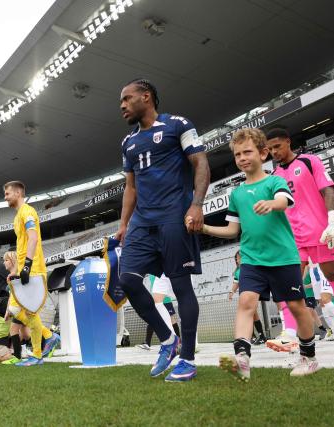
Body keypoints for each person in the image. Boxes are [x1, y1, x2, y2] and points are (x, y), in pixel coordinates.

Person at [192, 128, 318, 380]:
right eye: (237, 154)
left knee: (297, 307)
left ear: (263, 153)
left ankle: (309, 357)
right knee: (246, 302)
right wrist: (203, 227)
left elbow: (284, 200)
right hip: (251, 258)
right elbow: (232, 230)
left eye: (247, 151)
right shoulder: (237, 194)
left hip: (283, 257)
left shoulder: (274, 182)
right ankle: (242, 359)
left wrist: (272, 203)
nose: (242, 158)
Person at [115, 78, 210, 382]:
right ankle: (168, 340)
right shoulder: (128, 142)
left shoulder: (178, 125)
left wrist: (196, 204)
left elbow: (200, 163)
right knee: (127, 280)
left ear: (146, 97)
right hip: (143, 221)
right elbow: (130, 187)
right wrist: (124, 225)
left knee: (181, 287)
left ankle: (188, 359)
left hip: (174, 216)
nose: (122, 106)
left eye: (127, 99)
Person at [267, 128, 334, 354]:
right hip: (292, 237)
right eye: (270, 149)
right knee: (288, 281)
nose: (274, 152)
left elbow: (328, 192)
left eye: (278, 146)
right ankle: (288, 332)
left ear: (288, 142)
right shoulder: (274, 176)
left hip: (319, 231)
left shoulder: (309, 161)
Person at [3, 182, 61, 366]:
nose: (5, 197)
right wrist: (16, 271)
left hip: (34, 268)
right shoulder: (18, 215)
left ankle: (38, 352)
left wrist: (27, 266)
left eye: (7, 193)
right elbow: (22, 245)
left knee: (29, 312)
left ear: (19, 193)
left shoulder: (27, 211)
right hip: (25, 268)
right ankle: (47, 338)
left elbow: (33, 237)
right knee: (23, 311)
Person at [228, 251, 267, 345]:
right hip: (243, 295)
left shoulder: (249, 268)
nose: (238, 260)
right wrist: (231, 292)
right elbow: (236, 283)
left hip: (251, 294)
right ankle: (252, 337)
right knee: (250, 314)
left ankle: (262, 336)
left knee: (253, 313)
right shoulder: (237, 272)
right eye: (237, 258)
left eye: (240, 257)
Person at [137, 274, 181, 351]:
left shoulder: (160, 271)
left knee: (173, 321)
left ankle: (179, 342)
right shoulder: (149, 273)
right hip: (155, 300)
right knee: (153, 319)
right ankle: (147, 343)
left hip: (166, 300)